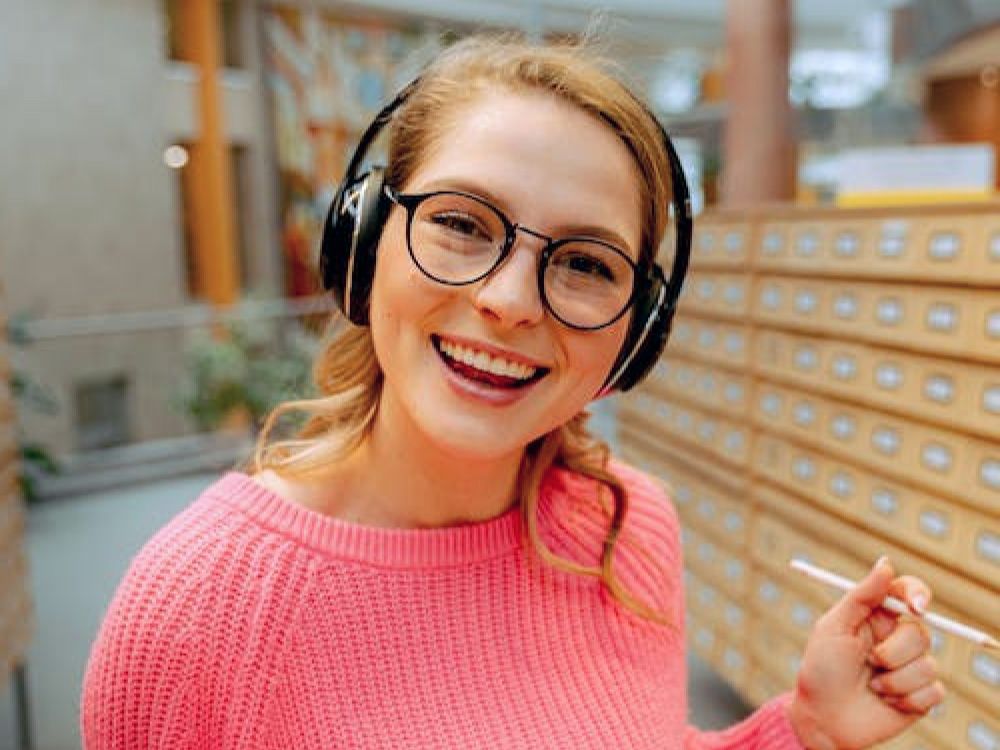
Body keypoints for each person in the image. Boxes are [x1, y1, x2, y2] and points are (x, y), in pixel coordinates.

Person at [80, 34, 944, 749]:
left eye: (584, 264)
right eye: (461, 222)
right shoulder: (198, 609)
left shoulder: (628, 528)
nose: (509, 301)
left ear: (632, 336)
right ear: (367, 238)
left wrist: (806, 730)